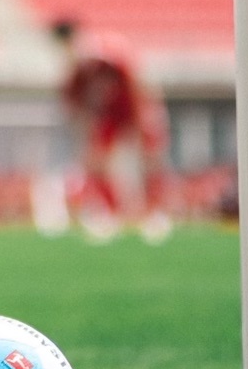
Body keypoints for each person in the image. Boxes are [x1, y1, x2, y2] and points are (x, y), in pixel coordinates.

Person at [51, 16, 173, 245]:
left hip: (134, 112)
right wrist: (87, 131)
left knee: (148, 163)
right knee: (98, 165)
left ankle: (154, 216)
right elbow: (74, 103)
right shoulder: (76, 69)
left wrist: (144, 118)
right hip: (110, 118)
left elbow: (136, 82)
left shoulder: (106, 50)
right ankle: (112, 215)